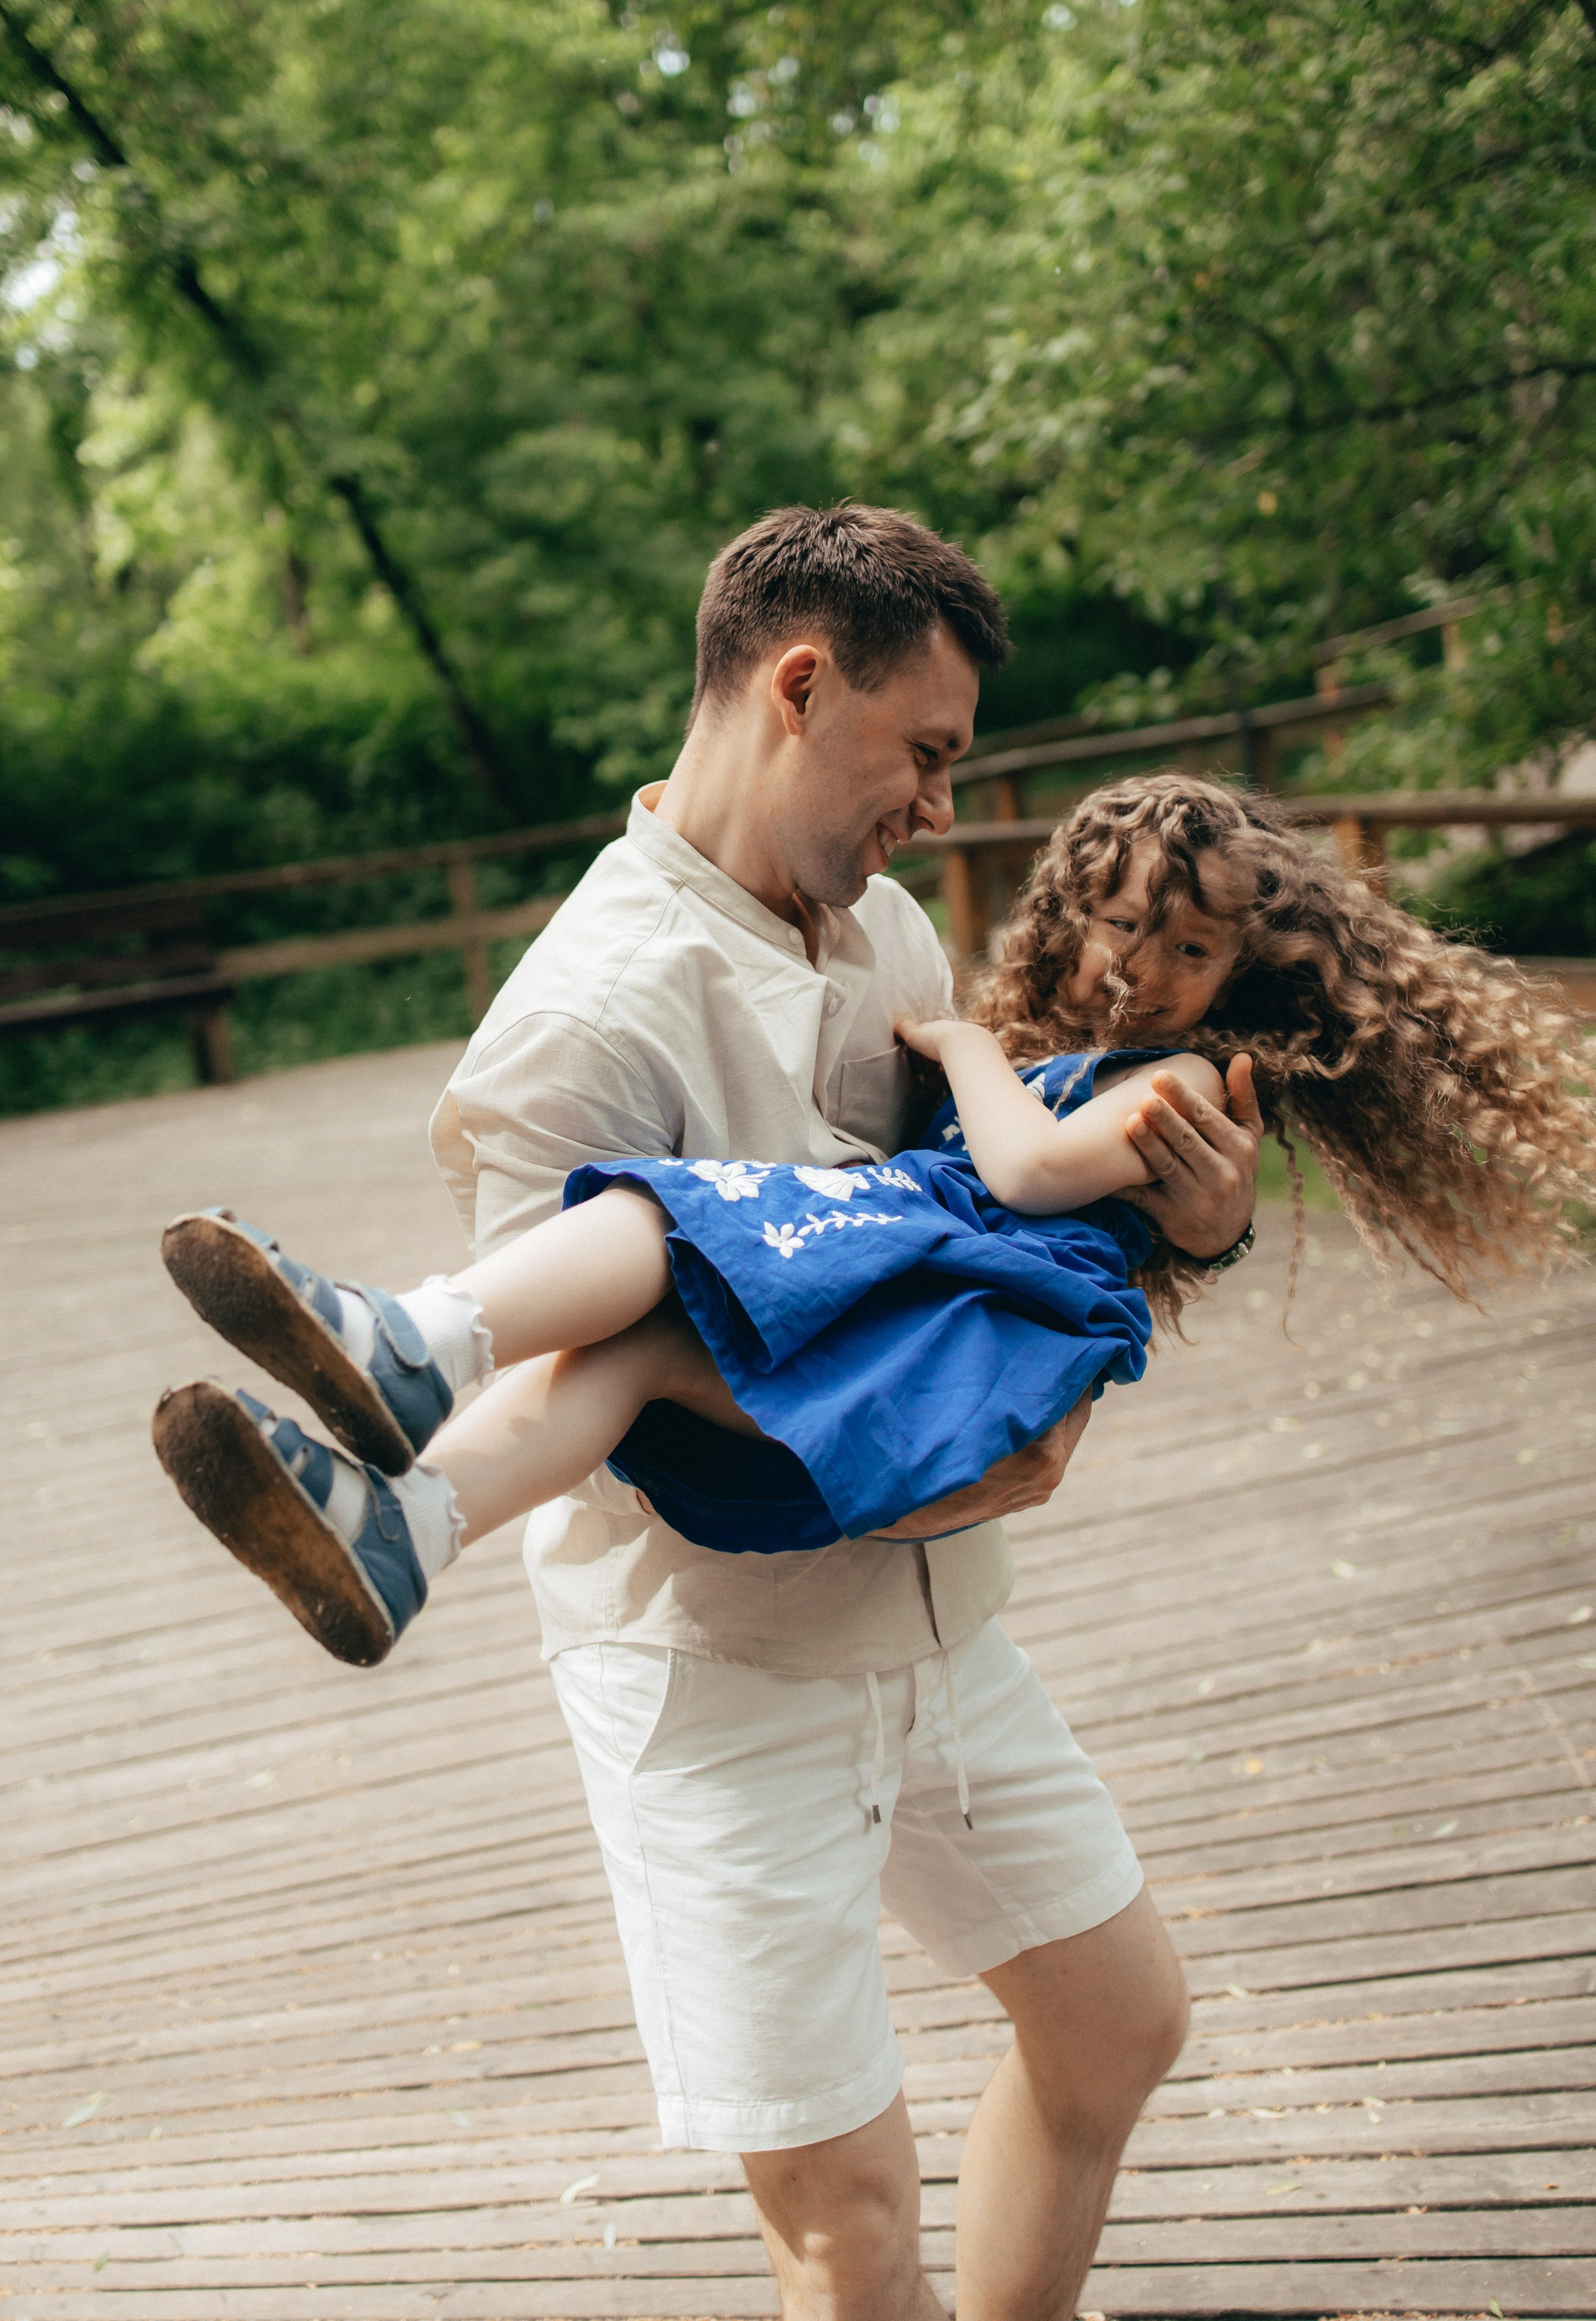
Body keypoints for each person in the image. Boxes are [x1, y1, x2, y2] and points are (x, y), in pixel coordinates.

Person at [154, 507, 1269, 2321]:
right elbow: (607, 1396)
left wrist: (1197, 1234)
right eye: (923, 755)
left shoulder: (889, 933)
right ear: (798, 685)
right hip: (721, 1672)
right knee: (848, 2226)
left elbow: (984, 1240)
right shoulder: (577, 1025)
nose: (933, 804)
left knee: (1118, 2025)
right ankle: (394, 1494)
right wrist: (949, 1459)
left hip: (945, 1640)